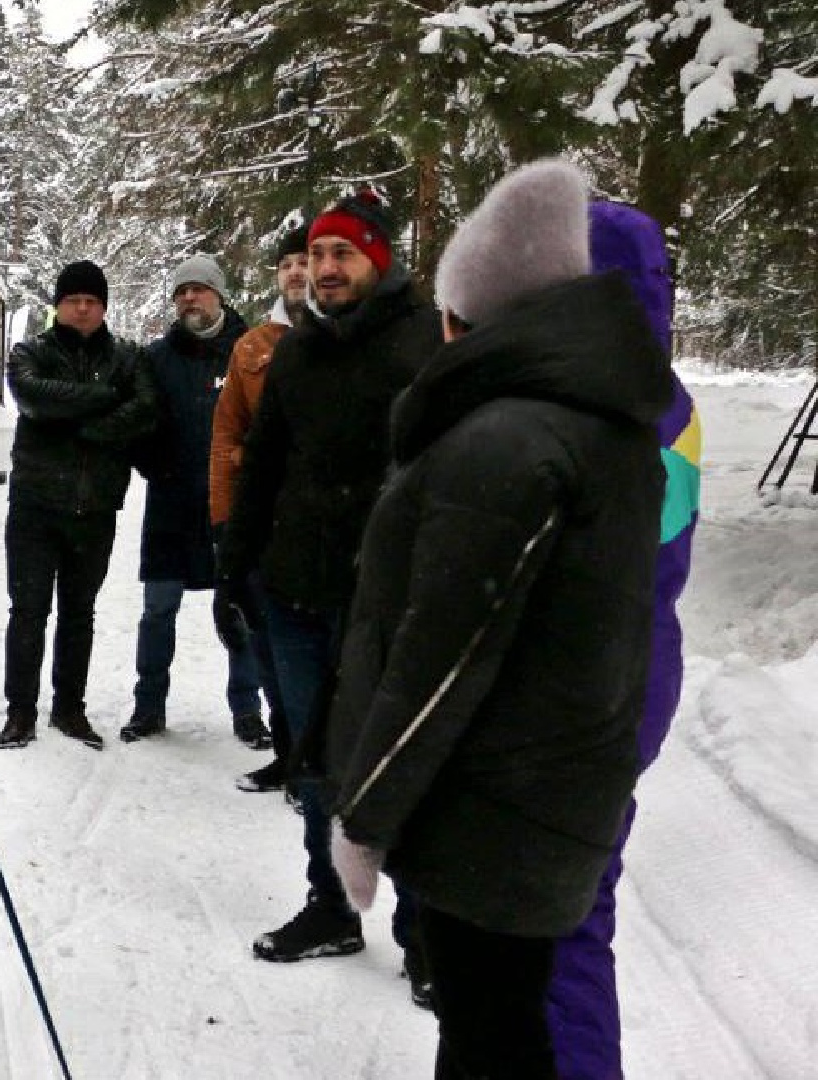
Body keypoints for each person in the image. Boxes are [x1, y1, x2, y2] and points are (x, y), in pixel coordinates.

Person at [322, 159, 672, 1079]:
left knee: (486, 1037)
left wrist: (361, 819)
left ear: (471, 314)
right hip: (551, 788)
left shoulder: (507, 440)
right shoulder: (608, 422)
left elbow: (440, 661)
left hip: (489, 812)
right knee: (504, 1025)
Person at [217, 191, 435, 986]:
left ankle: (421, 934)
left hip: (385, 603)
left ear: (378, 259)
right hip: (292, 592)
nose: (324, 269)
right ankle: (331, 907)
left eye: (342, 253)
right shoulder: (298, 352)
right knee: (311, 759)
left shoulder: (424, 344)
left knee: (397, 759)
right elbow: (263, 461)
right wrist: (233, 565)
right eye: (315, 255)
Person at [543, 201, 702, 1080]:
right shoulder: (656, 393)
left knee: (558, 940)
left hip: (586, 699)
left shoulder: (608, 406)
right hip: (627, 684)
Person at [0, 260, 158, 750]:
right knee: (27, 611)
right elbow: (32, 396)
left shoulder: (128, 358)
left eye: (91, 300)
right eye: (73, 300)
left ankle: (70, 709)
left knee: (78, 614)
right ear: (58, 305)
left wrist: (83, 423)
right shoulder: (31, 352)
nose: (83, 308)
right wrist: (106, 398)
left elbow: (146, 409)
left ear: (103, 306)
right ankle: (21, 711)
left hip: (96, 509)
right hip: (35, 509)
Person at [121, 255, 263, 746]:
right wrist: (154, 465)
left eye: (199, 289)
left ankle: (248, 711)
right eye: (182, 291)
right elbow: (137, 422)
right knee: (158, 610)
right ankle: (148, 706)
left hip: (232, 511)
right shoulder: (156, 358)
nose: (189, 298)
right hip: (171, 508)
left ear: (219, 294)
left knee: (240, 614)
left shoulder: (248, 352)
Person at [208, 227, 308, 790]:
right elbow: (225, 438)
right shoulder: (253, 348)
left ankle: (315, 766)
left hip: (325, 524)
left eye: (305, 261)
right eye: (286, 263)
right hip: (261, 524)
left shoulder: (343, 337)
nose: (295, 271)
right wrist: (225, 524)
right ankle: (287, 750)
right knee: (269, 646)